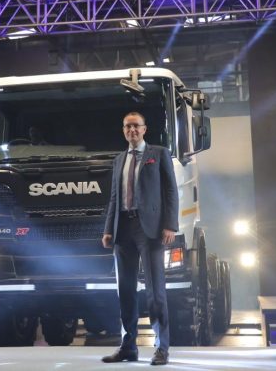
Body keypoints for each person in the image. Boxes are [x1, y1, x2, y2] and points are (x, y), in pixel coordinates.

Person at [101, 112, 178, 366]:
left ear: (144, 129)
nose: (132, 130)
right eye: (127, 126)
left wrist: (170, 225)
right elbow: (114, 197)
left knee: (155, 292)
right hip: (123, 229)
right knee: (125, 291)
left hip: (151, 230)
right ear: (123, 130)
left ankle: (161, 348)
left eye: (136, 126)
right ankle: (128, 347)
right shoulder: (118, 160)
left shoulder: (159, 153)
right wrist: (108, 229)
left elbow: (170, 190)